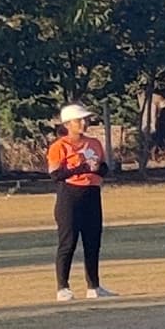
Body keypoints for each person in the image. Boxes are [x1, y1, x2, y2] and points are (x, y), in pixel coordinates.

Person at [42, 102, 117, 302]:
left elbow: (104, 169)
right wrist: (82, 168)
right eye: (79, 120)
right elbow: (56, 174)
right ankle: (63, 287)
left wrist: (97, 169)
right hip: (69, 196)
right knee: (68, 243)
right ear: (68, 124)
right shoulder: (59, 146)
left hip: (92, 194)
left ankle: (94, 286)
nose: (84, 123)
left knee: (93, 242)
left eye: (85, 119)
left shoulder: (94, 143)